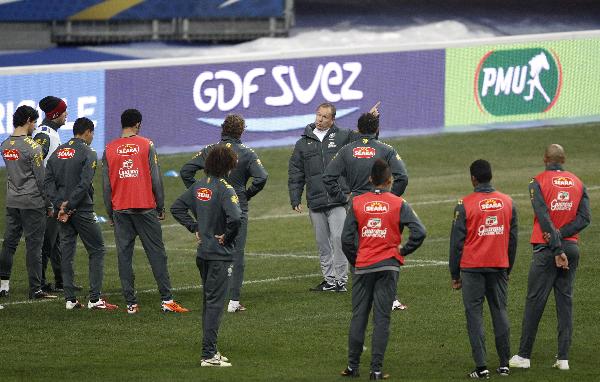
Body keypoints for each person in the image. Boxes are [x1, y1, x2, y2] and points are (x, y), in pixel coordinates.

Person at [340, 159, 425, 380]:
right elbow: (420, 232)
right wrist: (403, 252)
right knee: (382, 319)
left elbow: (346, 239)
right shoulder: (398, 203)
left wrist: (356, 260)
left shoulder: (357, 202)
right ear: (389, 180)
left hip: (364, 265)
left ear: (370, 179)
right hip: (388, 265)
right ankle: (376, 370)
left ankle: (352, 367)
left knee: (359, 316)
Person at [509, 144, 591, 371]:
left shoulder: (537, 181)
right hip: (572, 248)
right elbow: (585, 218)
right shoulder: (578, 182)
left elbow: (543, 216)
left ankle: (524, 357)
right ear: (563, 159)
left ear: (545, 158)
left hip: (547, 251)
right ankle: (563, 359)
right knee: (565, 303)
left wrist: (556, 247)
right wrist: (563, 237)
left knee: (535, 302)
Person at [102, 108, 188, 314]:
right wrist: (160, 205)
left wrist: (109, 212)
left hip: (120, 209)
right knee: (157, 254)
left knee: (124, 256)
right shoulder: (146, 144)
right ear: (138, 124)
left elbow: (106, 185)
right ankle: (167, 301)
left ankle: (131, 304)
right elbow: (156, 177)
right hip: (144, 207)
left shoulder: (109, 148)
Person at [180, 114, 267, 313]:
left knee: (209, 249)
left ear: (222, 129)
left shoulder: (211, 150)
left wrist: (200, 192)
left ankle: (212, 294)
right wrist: (247, 194)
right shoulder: (247, 153)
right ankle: (233, 301)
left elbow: (186, 171)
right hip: (236, 207)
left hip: (211, 207)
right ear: (242, 131)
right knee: (236, 253)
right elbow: (262, 177)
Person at [323, 110, 409, 310]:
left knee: (357, 248)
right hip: (382, 206)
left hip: (357, 205)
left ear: (359, 129)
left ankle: (363, 296)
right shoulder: (386, 149)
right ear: (377, 129)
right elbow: (402, 176)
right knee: (384, 247)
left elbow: (328, 177)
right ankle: (391, 297)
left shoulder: (346, 150)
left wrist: (342, 198)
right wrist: (391, 198)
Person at [171, 145, 242, 367]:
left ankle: (211, 350)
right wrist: (228, 238)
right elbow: (236, 219)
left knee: (208, 301)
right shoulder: (225, 189)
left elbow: (176, 208)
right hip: (219, 256)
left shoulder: (199, 185)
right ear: (227, 166)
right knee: (214, 304)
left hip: (203, 254)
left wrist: (194, 227)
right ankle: (208, 354)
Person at [449, 159, 518, 379]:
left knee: (475, 316)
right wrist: (508, 267)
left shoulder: (464, 204)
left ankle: (482, 367)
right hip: (499, 265)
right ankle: (505, 364)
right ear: (491, 176)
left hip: (472, 268)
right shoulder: (508, 202)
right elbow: (513, 240)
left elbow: (456, 244)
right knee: (500, 312)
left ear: (473, 179)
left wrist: (454, 274)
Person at [45, 117, 118, 310]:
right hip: (81, 210)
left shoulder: (57, 152)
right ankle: (94, 299)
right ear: (87, 132)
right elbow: (84, 184)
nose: (93, 137)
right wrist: (69, 206)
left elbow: (48, 183)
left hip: (62, 212)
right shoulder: (88, 152)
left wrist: (60, 205)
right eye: (92, 133)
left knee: (67, 253)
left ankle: (70, 300)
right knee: (97, 249)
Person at [288, 102, 360, 293]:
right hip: (315, 201)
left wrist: (371, 119)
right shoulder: (303, 143)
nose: (320, 119)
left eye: (325, 117)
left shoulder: (343, 136)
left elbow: (364, 138)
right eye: (318, 115)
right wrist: (295, 198)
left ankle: (341, 281)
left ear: (332, 119)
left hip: (338, 199)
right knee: (323, 244)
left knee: (338, 239)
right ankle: (329, 281)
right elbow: (296, 172)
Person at [0, 105, 56, 299]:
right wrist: (48, 204)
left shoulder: (5, 144)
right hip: (32, 202)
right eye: (34, 122)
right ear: (28, 121)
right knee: (34, 246)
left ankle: (3, 285)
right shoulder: (33, 147)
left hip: (12, 201)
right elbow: (41, 180)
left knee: (9, 243)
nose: (35, 126)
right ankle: (35, 289)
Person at [33, 95, 68, 293]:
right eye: (64, 111)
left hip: (53, 194)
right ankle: (40, 283)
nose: (66, 115)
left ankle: (60, 280)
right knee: (47, 240)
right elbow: (37, 162)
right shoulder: (45, 134)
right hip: (49, 196)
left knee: (55, 240)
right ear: (55, 114)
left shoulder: (49, 132)